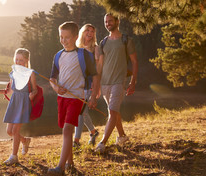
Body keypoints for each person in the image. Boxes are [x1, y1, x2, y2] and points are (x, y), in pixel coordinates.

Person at [48, 21, 99, 175]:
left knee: (68, 129)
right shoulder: (58, 55)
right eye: (61, 37)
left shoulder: (84, 55)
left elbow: (95, 76)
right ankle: (70, 163)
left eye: (67, 37)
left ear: (76, 37)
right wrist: (56, 88)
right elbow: (52, 79)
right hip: (61, 98)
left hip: (77, 98)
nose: (63, 40)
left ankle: (60, 167)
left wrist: (94, 96)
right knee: (66, 131)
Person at [95, 13, 138, 154]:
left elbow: (134, 62)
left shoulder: (126, 40)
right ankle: (122, 136)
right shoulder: (103, 42)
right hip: (105, 83)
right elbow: (100, 65)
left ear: (117, 21)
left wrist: (133, 81)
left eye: (110, 21)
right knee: (114, 112)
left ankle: (102, 143)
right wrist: (96, 85)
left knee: (112, 111)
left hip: (119, 82)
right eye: (106, 22)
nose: (108, 24)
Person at [0, 48, 38, 165]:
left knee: (15, 130)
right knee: (9, 131)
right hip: (14, 103)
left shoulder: (30, 73)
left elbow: (35, 90)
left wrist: (31, 95)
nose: (18, 62)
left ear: (26, 60)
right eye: (16, 59)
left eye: (21, 60)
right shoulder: (14, 73)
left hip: (23, 103)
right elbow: (9, 91)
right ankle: (25, 141)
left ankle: (14, 157)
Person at [73, 24, 99, 148]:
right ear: (82, 32)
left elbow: (98, 70)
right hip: (77, 84)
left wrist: (96, 87)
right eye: (87, 30)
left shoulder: (95, 49)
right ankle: (93, 132)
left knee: (80, 111)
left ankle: (76, 141)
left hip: (89, 84)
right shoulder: (76, 48)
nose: (89, 32)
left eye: (92, 31)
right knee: (83, 112)